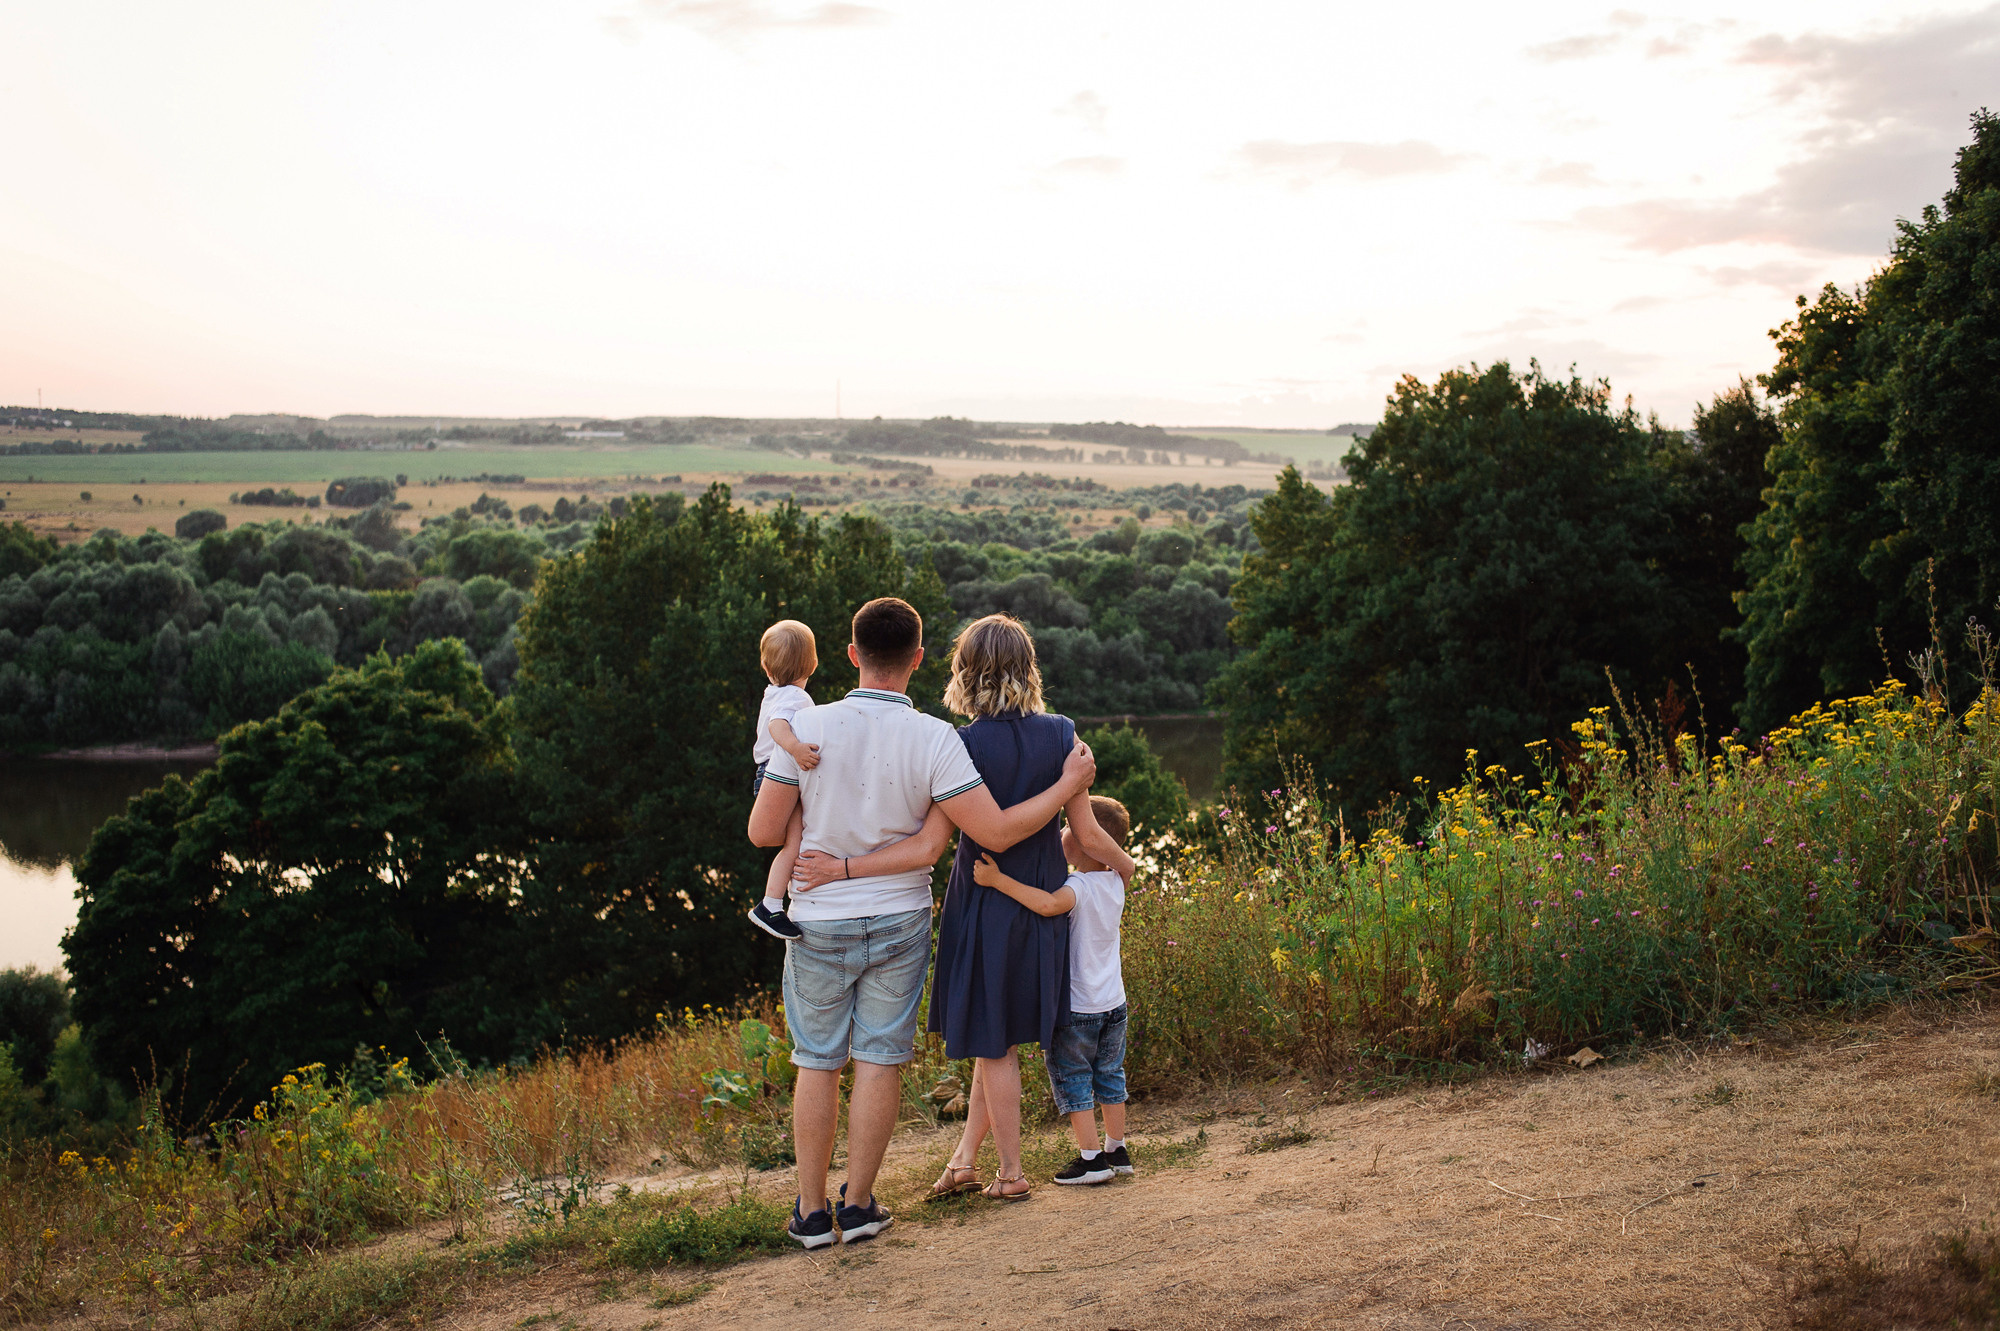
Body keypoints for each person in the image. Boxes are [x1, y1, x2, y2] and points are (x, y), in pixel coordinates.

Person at [747, 598, 1097, 1248]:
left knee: (816, 1060)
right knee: (880, 1057)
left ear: (851, 654)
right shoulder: (937, 736)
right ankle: (858, 1206)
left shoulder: (808, 724)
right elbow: (958, 840)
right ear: (917, 659)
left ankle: (811, 1213)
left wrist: (821, 846)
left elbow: (764, 830)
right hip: (900, 915)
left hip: (820, 920)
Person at [808, 614, 1125, 1202]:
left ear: (964, 672)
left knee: (992, 1042)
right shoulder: (1063, 736)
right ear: (1028, 668)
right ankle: (964, 1160)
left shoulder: (959, 744)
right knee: (993, 1037)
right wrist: (1128, 870)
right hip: (1044, 904)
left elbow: (943, 834)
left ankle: (1011, 1174)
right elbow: (1086, 832)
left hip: (984, 901)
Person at [971, 794, 1136, 1186]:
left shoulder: (1077, 886)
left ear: (1084, 838)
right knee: (1110, 1075)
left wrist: (998, 880)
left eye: (1067, 826)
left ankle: (1091, 1159)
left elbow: (1045, 905)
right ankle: (1117, 1147)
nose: (1061, 832)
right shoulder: (1117, 880)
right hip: (1114, 1002)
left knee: (1074, 1076)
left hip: (1079, 1006)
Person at [748, 619, 820, 942]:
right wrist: (796, 749)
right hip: (776, 774)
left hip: (766, 772)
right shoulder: (795, 698)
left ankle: (777, 900)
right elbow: (779, 727)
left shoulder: (774, 692)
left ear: (765, 665)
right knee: (796, 843)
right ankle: (771, 904)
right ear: (814, 663)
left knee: (797, 841)